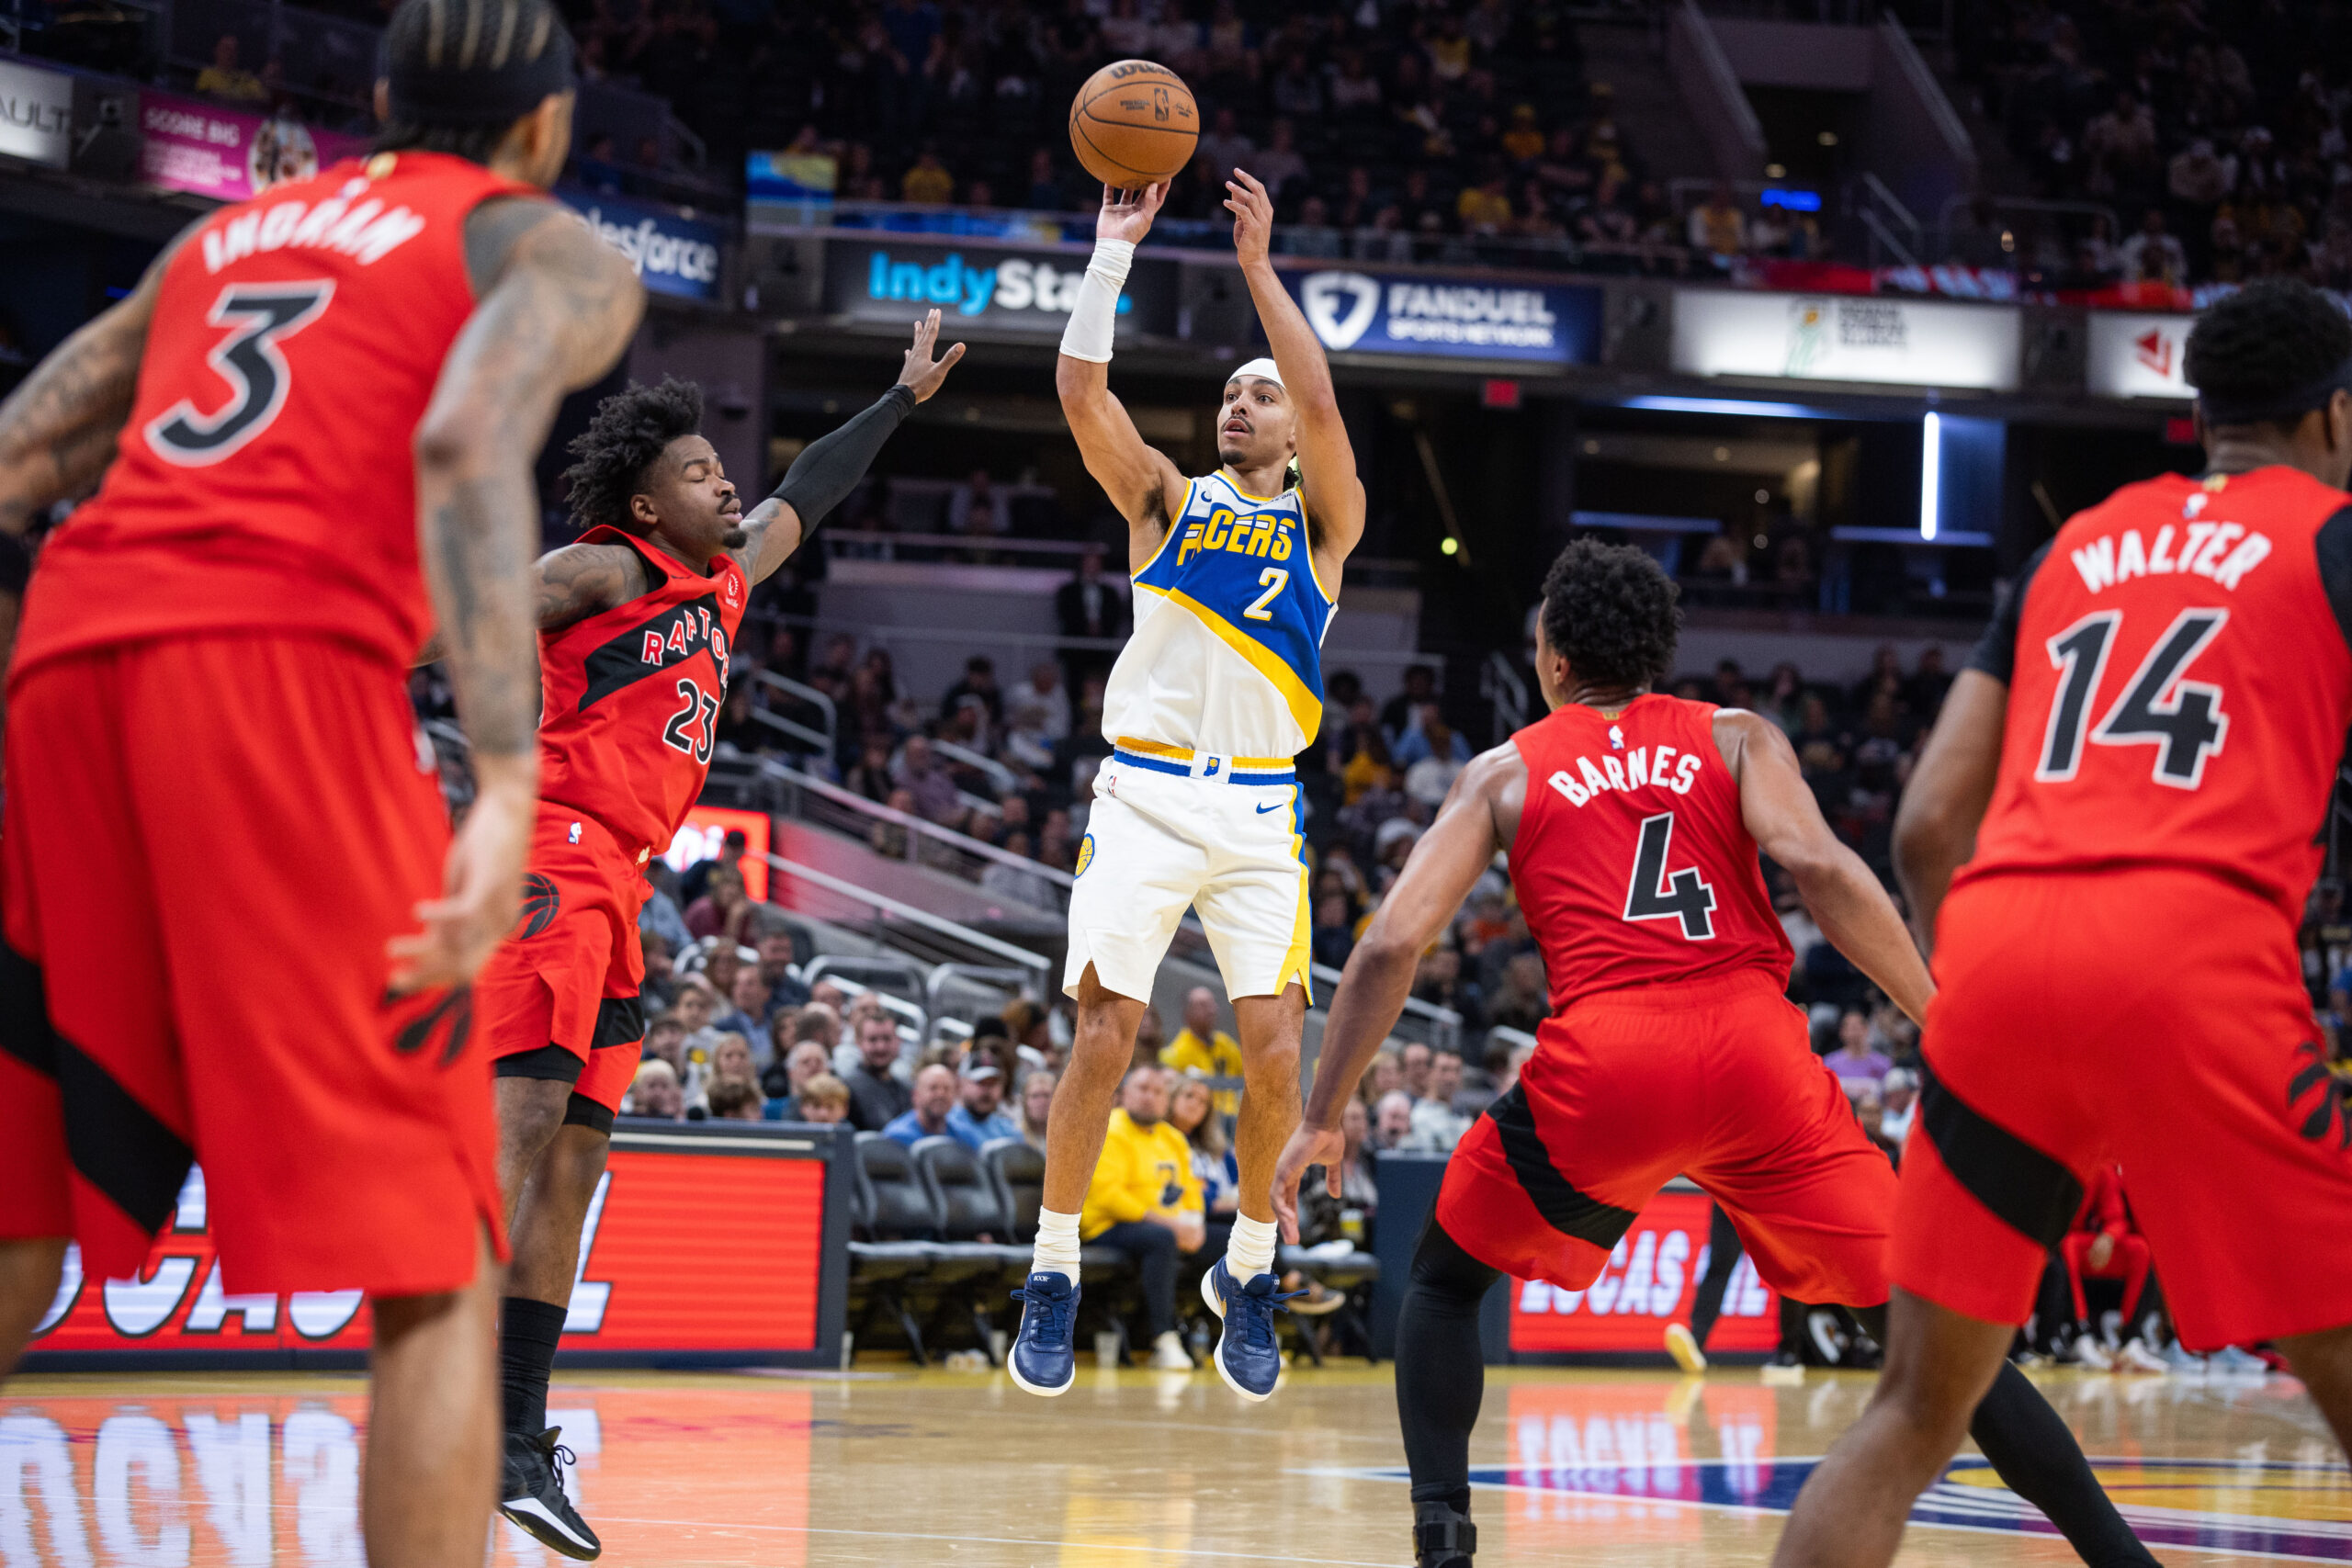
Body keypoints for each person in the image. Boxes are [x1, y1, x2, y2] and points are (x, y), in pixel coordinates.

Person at [0, 6, 644, 1563]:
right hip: (278, 674)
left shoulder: (239, 231)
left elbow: (26, 443)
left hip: (71, 650)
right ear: (547, 130)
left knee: (23, 1205)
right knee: (436, 1255)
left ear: (376, 101)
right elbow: (464, 445)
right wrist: (501, 777)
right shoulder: (546, 247)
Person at [1273, 539, 2157, 1568]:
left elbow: (1387, 943)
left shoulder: (1503, 771)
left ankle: (1443, 1545)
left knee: (1440, 1285)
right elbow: (1819, 865)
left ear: (1553, 660)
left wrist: (1323, 1114)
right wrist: (1939, 1018)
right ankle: (2121, 1560)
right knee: (1932, 1342)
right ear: (1654, 655)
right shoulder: (1736, 736)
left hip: (1607, 1063)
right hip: (1756, 1055)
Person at [1772, 279, 2352, 1568]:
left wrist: (1979, 989)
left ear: (2203, 414)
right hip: (2195, 951)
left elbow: (1926, 821)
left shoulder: (2076, 543)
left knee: (1912, 1413)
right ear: (2335, 415)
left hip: (2001, 947)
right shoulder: (2333, 534)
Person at [465, 330, 959, 1557]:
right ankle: (440, 1393)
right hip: (554, 857)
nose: (727, 482)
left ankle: (517, 1436)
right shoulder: (606, 571)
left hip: (624, 889)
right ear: (647, 502)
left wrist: (898, 397)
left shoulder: (724, 579)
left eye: (721, 467)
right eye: (699, 471)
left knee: (573, 1169)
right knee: (512, 1137)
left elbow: (810, 489)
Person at [1011, 165, 1368, 1404]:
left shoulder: (1326, 528)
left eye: (1257, 395)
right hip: (1148, 797)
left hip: (1263, 810)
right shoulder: (1163, 499)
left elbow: (1321, 390)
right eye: (1228, 390)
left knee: (1278, 1054)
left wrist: (1261, 270)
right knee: (1106, 1034)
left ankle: (1251, 1268)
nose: (1241, 402)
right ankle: (1052, 1263)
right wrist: (1113, 253)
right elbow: (1078, 387)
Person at [1080, 1066, 1204, 1371]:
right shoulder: (1108, 1129)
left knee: (1232, 1238)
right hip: (1107, 1227)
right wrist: (1174, 1227)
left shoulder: (1173, 1138)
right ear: (1123, 1094)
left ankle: (1241, 1338)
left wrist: (1195, 1226)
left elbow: (1192, 1188)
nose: (1150, 1097)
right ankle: (1163, 1340)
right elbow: (1108, 1196)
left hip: (1167, 1227)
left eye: (1158, 1091)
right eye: (1143, 1089)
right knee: (1159, 1240)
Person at [1159, 986, 1245, 1117]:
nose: (1211, 1010)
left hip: (1233, 1117)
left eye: (1212, 1004)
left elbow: (1247, 1074)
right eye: (1203, 1005)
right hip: (1199, 1119)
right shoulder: (1177, 1051)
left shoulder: (1226, 1044)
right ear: (1188, 1013)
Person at [844, 1010, 914, 1132]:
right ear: (858, 1042)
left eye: (887, 1039)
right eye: (873, 1040)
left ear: (898, 1041)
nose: (881, 1047)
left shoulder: (906, 1089)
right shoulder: (847, 1088)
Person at [945, 1054, 1022, 1148]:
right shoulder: (946, 1125)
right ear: (961, 1083)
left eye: (993, 1084)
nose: (986, 1091)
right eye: (980, 1083)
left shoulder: (1008, 1130)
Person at [1405, 1047, 1471, 1152]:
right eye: (1444, 1070)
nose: (1451, 1078)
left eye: (1457, 1070)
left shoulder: (1465, 1115)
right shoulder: (1418, 1116)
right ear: (1430, 1072)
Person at [884, 1063, 957, 1146]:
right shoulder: (896, 1138)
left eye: (947, 1089)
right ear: (915, 1095)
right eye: (933, 1088)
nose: (940, 1095)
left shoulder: (962, 1136)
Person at [1018, 1067, 1057, 1150]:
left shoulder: (1067, 1136)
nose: (1041, 1102)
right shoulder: (1016, 1135)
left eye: (1046, 1095)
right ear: (1025, 1101)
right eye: (1035, 1096)